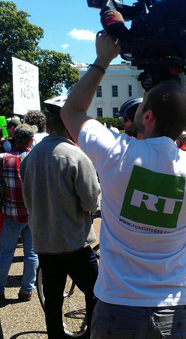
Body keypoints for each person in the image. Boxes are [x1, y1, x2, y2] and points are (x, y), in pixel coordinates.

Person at [60, 28, 186, 338]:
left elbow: (71, 111)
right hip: (173, 309)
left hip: (116, 306)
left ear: (147, 116)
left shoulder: (116, 153)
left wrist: (102, 60)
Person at [20, 97, 100, 339]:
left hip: (44, 241)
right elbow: (90, 202)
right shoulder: (76, 155)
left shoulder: (29, 158)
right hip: (74, 241)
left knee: (52, 298)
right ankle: (93, 334)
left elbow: (28, 200)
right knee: (96, 292)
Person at [0, 124, 38, 302]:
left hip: (11, 213)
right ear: (31, 140)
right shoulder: (36, 158)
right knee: (32, 254)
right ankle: (27, 290)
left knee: (5, 253)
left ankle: (0, 290)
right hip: (32, 214)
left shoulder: (3, 158)